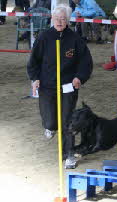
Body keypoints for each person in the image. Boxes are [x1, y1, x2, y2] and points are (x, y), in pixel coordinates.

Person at [27, 3, 93, 168]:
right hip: (47, 86)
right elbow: (33, 62)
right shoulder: (44, 37)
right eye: (57, 18)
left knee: (67, 122)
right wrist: (35, 79)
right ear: (52, 19)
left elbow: (86, 62)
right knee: (50, 121)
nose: (60, 21)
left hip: (68, 87)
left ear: (68, 21)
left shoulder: (75, 39)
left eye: (63, 19)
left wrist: (79, 78)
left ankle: (68, 155)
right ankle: (49, 127)